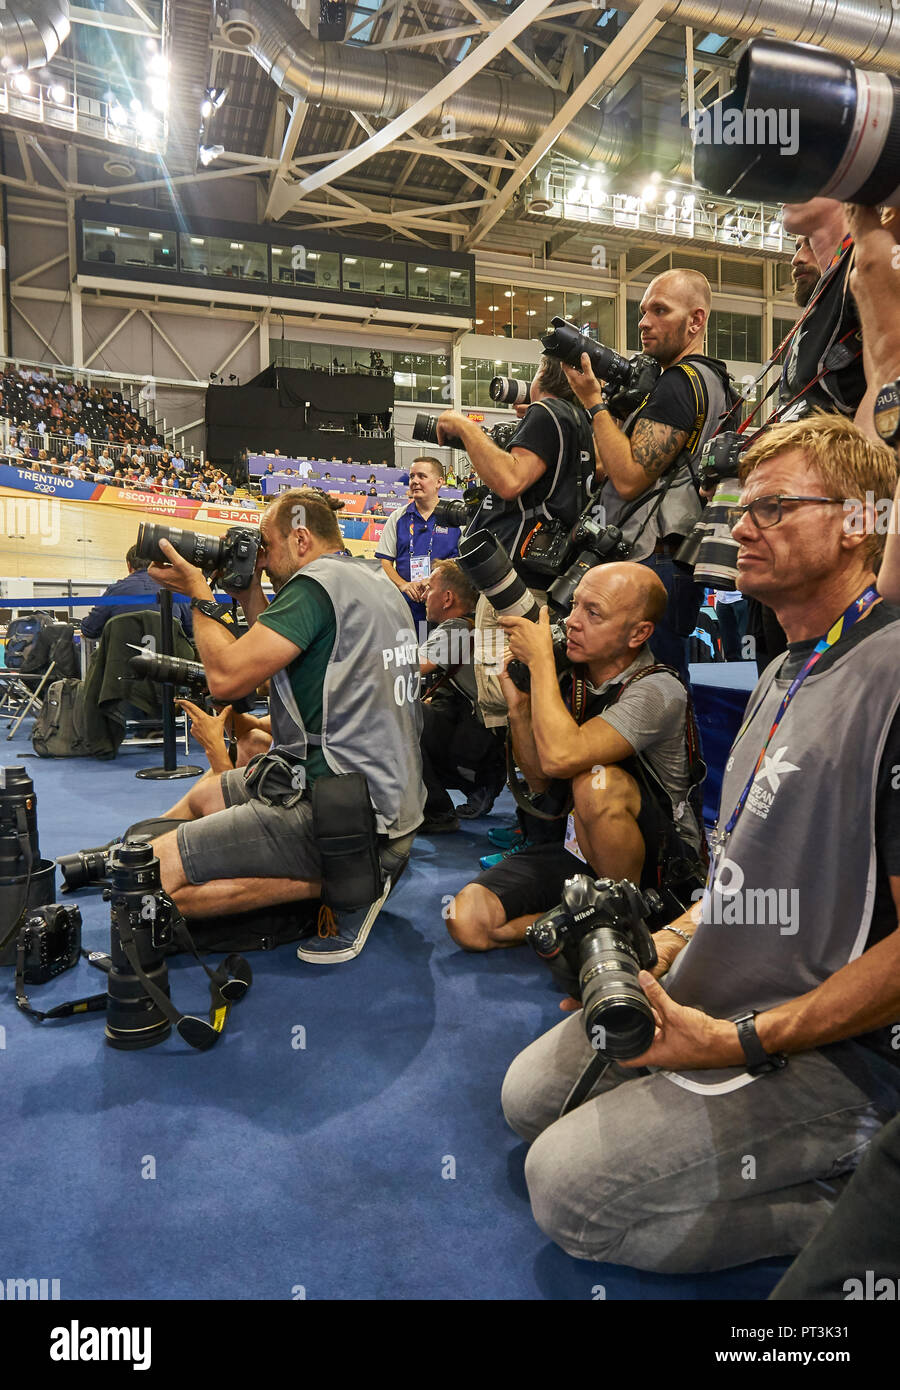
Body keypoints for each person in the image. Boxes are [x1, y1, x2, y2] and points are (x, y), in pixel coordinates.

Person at [500, 408, 900, 1273]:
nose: (740, 528)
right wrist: (660, 944)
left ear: (859, 523)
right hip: (721, 987)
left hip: (842, 1051)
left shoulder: (895, 674)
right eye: (740, 507)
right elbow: (746, 873)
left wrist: (741, 1042)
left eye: (774, 508)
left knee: (566, 1191)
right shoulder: (782, 671)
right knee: (527, 1100)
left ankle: (852, 1201)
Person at [144, 488, 425, 956]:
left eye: (267, 548)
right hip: (385, 801)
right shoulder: (369, 579)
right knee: (206, 794)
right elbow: (284, 656)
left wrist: (200, 595)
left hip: (344, 816)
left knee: (154, 875)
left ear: (299, 539)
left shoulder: (314, 586)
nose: (263, 561)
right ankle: (121, 856)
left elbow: (227, 680)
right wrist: (248, 594)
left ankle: (347, 884)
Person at [447, 562, 703, 951]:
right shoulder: (572, 674)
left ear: (639, 633)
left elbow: (562, 758)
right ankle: (585, 921)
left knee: (596, 783)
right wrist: (519, 708)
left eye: (593, 613)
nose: (572, 622)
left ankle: (625, 916)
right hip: (573, 847)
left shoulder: (658, 689)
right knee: (465, 920)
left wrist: (543, 665)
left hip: (657, 864)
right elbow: (539, 781)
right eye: (575, 606)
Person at [563, 269, 736, 685]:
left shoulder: (678, 383)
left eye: (660, 310)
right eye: (643, 312)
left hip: (652, 556)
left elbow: (627, 478)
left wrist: (592, 401)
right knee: (664, 677)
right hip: (677, 554)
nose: (644, 322)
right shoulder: (717, 381)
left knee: (642, 682)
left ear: (696, 320)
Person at [436, 355, 596, 727]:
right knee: (532, 692)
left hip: (511, 585)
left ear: (543, 374)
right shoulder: (578, 420)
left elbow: (510, 480)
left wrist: (463, 424)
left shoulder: (547, 412)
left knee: (506, 700)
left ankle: (525, 780)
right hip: (543, 582)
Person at [418, 561, 506, 833]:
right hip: (489, 744)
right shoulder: (470, 626)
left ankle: (437, 812)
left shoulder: (456, 629)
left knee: (401, 717)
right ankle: (479, 784)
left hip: (480, 746)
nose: (423, 595)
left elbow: (406, 667)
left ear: (447, 598)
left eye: (429, 588)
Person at [375, 456, 461, 635]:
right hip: (405, 609)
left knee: (439, 661)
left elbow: (463, 563)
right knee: (409, 660)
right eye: (412, 476)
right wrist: (404, 585)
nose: (414, 481)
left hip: (446, 610)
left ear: (439, 482)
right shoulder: (398, 517)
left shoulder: (456, 519)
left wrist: (433, 581)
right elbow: (384, 561)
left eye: (422, 476)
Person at [80, 545, 194, 640]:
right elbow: (192, 630)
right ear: (156, 564)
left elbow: (90, 630)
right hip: (170, 663)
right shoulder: (175, 589)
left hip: (124, 664)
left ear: (129, 566)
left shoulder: (115, 591)